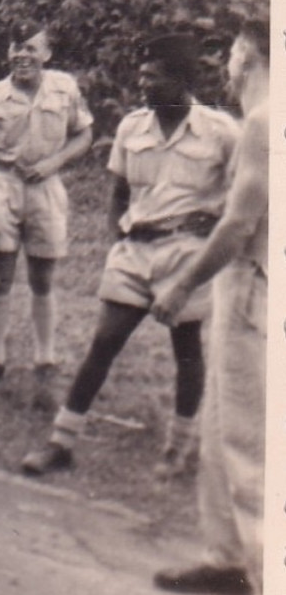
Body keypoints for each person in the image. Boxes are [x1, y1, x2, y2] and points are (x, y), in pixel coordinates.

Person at [21, 34, 241, 480]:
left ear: (181, 81)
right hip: (134, 250)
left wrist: (213, 224)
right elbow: (119, 193)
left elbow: (244, 198)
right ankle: (61, 442)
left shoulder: (221, 132)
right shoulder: (131, 127)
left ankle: (178, 450)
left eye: (153, 77)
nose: (143, 84)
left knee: (186, 350)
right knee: (104, 341)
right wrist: (115, 241)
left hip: (187, 254)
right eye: (141, 75)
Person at [150, 20, 269, 595]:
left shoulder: (261, 121)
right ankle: (229, 559)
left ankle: (268, 593)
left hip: (255, 286)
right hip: (247, 286)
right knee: (222, 423)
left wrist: (181, 284)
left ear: (248, 56)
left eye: (231, 53)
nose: (226, 64)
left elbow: (236, 226)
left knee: (249, 445)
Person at [0, 22, 93, 406]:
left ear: (47, 55)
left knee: (43, 277)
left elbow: (84, 135)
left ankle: (45, 357)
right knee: (1, 276)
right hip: (3, 185)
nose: (23, 56)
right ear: (8, 53)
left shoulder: (64, 88)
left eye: (32, 49)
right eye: (17, 48)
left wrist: (55, 162)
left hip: (46, 190)